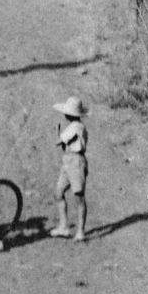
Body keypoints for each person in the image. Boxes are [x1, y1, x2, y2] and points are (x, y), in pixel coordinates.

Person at [52, 96, 92, 241]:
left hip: (76, 162)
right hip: (68, 161)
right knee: (58, 192)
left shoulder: (76, 127)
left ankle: (80, 231)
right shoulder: (74, 126)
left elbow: (59, 142)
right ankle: (64, 226)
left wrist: (57, 133)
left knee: (79, 197)